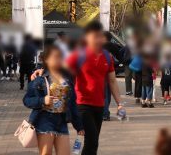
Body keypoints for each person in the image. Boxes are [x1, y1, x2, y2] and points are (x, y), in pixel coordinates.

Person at [65, 21, 125, 155]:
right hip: (82, 104)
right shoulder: (78, 55)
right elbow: (60, 68)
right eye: (94, 36)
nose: (98, 39)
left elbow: (112, 81)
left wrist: (119, 103)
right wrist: (42, 72)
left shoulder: (107, 57)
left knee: (92, 141)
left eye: (99, 36)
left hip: (100, 105)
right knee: (92, 140)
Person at [23, 45, 84, 155]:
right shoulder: (40, 79)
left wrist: (79, 126)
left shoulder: (67, 79)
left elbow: (73, 104)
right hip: (45, 121)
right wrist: (42, 100)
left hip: (62, 121)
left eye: (60, 57)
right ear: (46, 59)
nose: (58, 60)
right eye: (54, 57)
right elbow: (27, 100)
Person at [102, 31, 125, 121]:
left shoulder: (100, 46)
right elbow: (120, 58)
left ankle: (104, 113)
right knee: (107, 93)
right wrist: (116, 64)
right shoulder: (113, 46)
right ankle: (105, 113)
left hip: (100, 72)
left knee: (103, 94)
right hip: (110, 70)